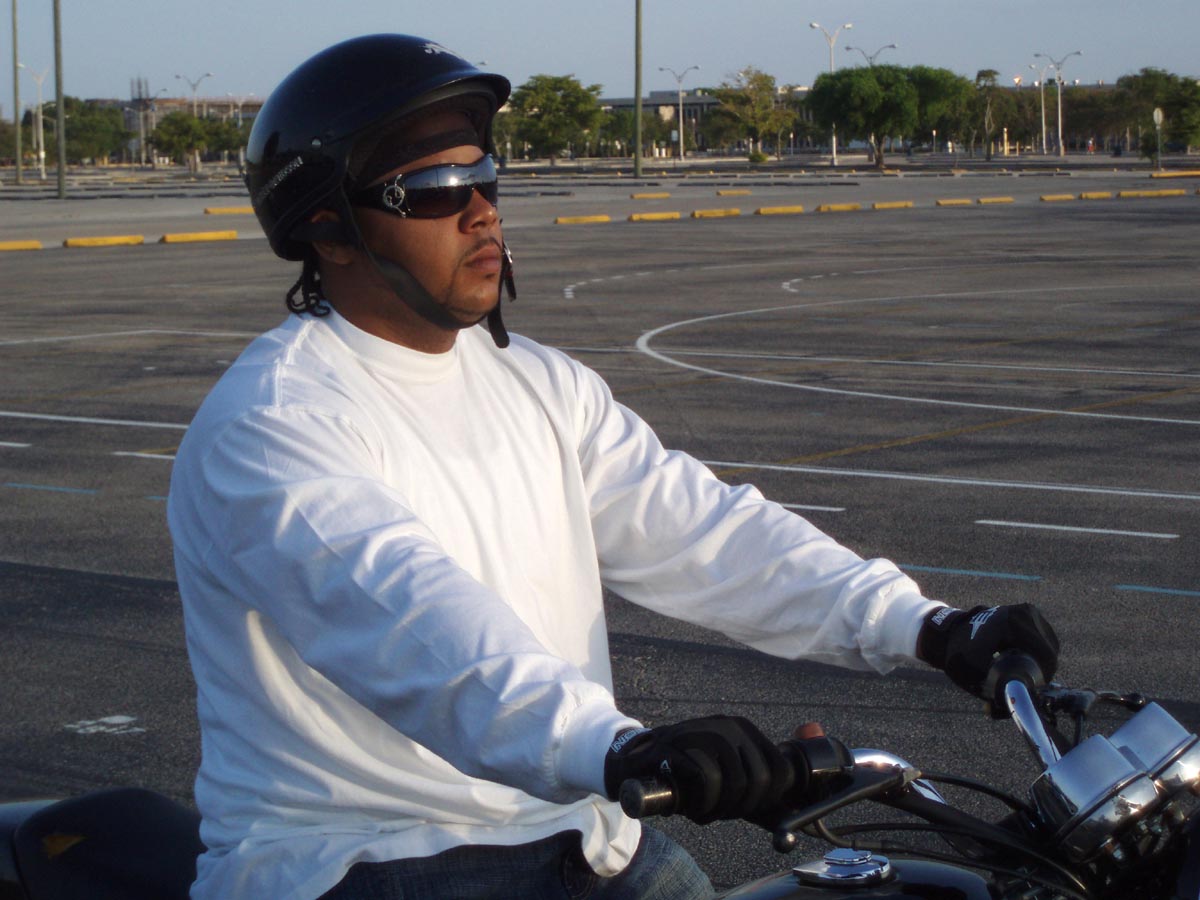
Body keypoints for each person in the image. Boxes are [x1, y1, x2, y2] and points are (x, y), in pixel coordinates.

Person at [166, 34, 1061, 900]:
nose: (480, 210)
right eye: (434, 188)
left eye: (484, 175)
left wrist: (928, 627)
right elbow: (418, 625)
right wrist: (618, 745)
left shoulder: (537, 382)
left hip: (583, 832)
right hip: (370, 855)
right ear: (327, 225)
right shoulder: (275, 425)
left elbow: (702, 530)